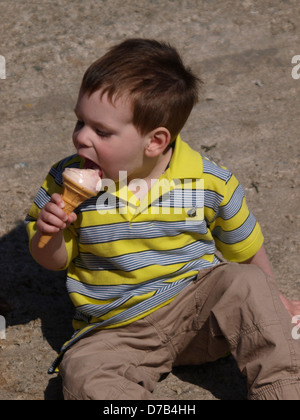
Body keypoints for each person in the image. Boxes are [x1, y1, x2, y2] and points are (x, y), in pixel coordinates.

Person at [26, 38, 300, 400]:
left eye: (101, 131)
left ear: (155, 141)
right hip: (117, 331)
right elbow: (54, 261)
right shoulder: (64, 179)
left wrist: (275, 302)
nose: (81, 138)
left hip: (201, 315)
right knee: (82, 373)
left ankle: (281, 391)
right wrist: (49, 233)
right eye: (80, 121)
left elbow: (245, 250)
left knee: (247, 284)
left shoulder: (208, 181)